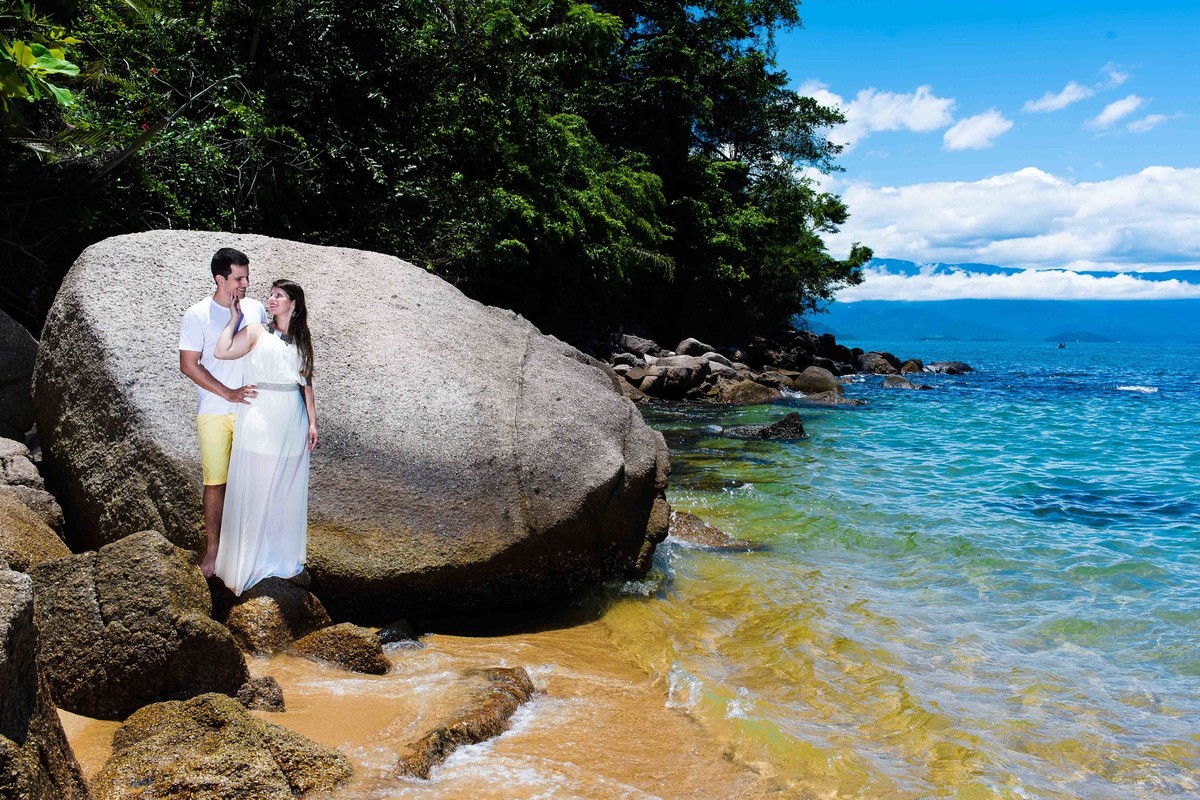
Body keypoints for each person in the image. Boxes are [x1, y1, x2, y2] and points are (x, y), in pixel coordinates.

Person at [212, 279, 318, 595]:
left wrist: (313, 423)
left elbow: (306, 384)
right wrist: (234, 319)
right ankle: (249, 561)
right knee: (257, 487)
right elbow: (221, 351)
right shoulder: (257, 330)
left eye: (279, 296)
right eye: (271, 295)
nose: (271, 299)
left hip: (292, 417)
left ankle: (277, 558)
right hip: (260, 413)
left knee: (283, 490)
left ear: (293, 304)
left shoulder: (302, 340)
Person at [179, 248, 268, 578]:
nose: (246, 283)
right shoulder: (197, 314)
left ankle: (251, 548)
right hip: (214, 411)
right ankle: (214, 550)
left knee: (253, 482)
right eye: (239, 278)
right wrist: (228, 392)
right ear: (220, 279)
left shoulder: (256, 309)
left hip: (252, 411)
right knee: (215, 482)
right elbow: (188, 364)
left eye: (247, 277)